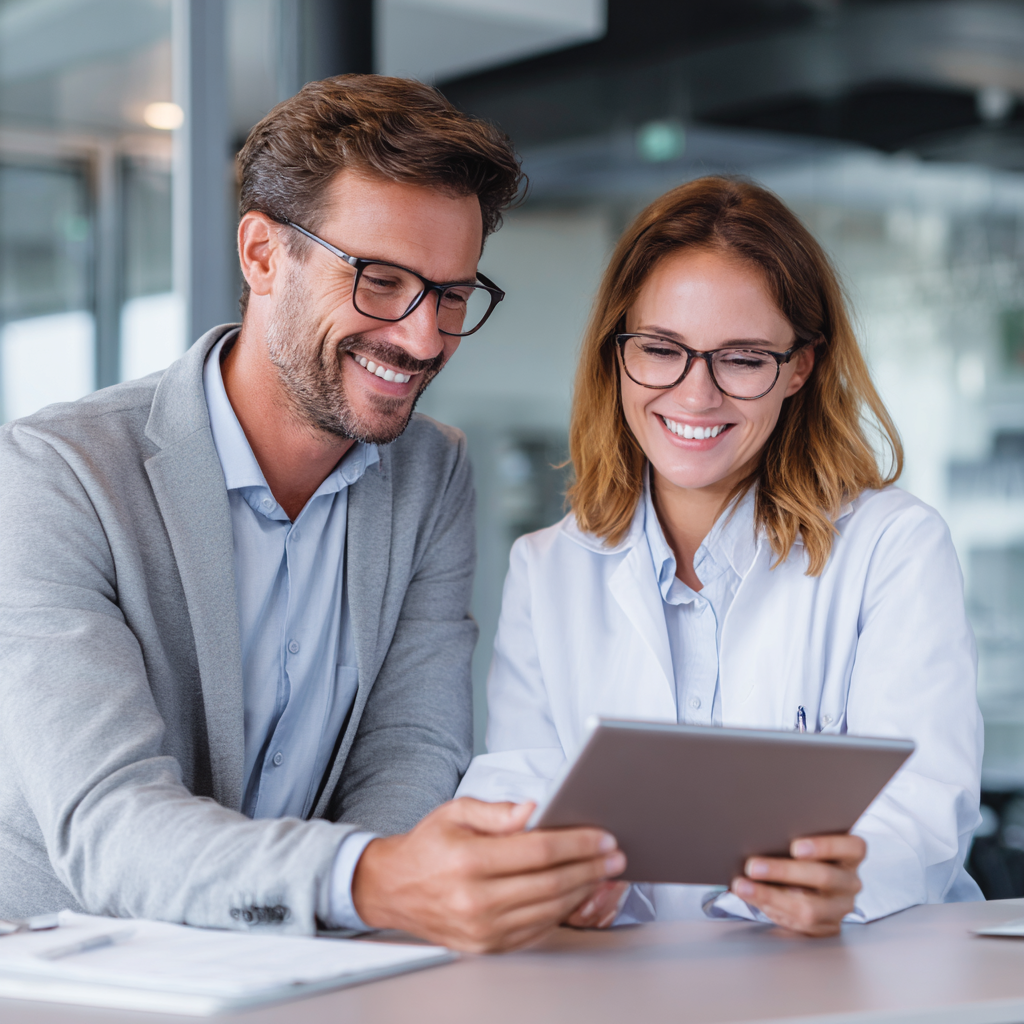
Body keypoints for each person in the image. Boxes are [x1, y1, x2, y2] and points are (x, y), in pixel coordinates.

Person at [0, 75, 625, 953]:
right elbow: (109, 825)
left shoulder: (430, 471)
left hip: (310, 969)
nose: (422, 339)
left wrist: (404, 896)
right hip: (75, 970)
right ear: (262, 254)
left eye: (450, 295)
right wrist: (372, 880)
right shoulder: (57, 475)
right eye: (380, 280)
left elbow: (408, 748)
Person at [457, 176, 983, 937]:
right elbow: (520, 788)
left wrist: (848, 878)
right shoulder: (549, 570)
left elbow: (927, 808)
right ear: (618, 354)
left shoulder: (892, 547)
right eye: (662, 349)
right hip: (629, 993)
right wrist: (553, 878)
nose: (695, 395)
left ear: (799, 366)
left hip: (852, 986)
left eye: (741, 358)